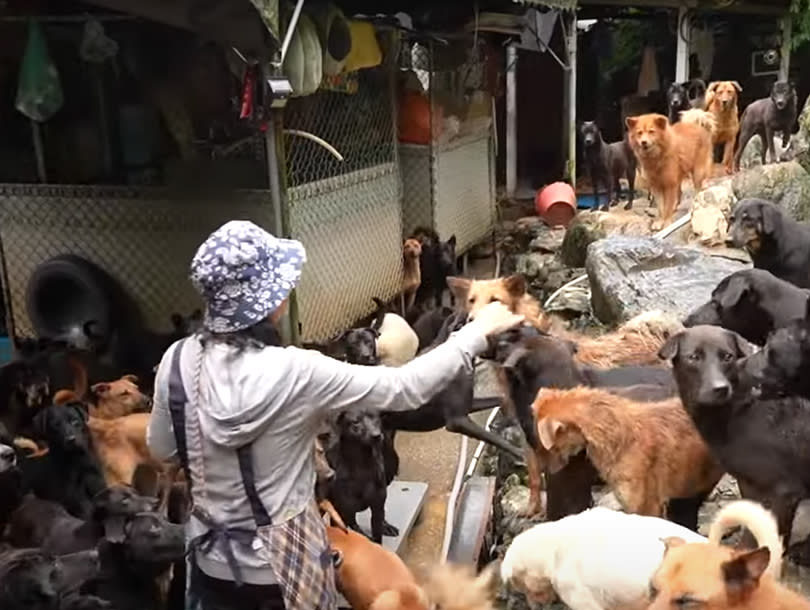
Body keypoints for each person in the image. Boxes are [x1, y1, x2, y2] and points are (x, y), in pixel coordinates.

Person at [146, 220, 524, 610]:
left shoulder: (177, 361)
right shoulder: (297, 370)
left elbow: (161, 447)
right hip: (286, 564)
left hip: (211, 561)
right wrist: (476, 334)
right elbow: (404, 386)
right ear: (270, 301)